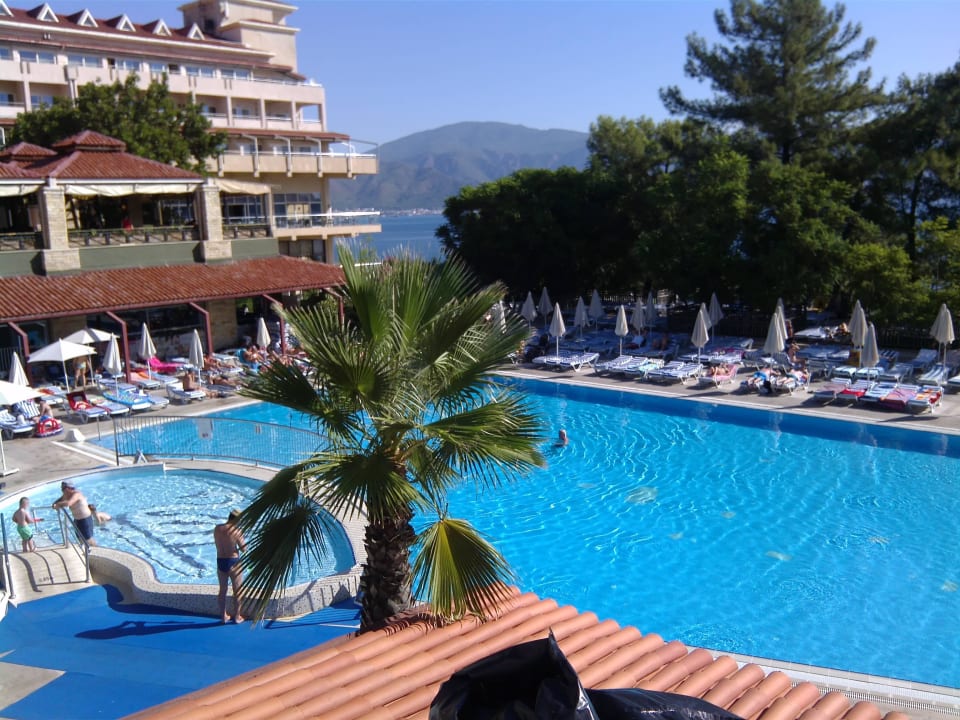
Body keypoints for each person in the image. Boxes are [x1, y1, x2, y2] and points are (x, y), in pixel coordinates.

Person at [214, 509, 247, 623]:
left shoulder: (217, 528)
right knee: (237, 590)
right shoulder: (237, 531)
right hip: (233, 561)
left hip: (220, 561)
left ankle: (223, 616)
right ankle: (237, 617)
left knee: (222, 590)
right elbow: (244, 549)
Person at [51, 481, 96, 546]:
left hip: (85, 520)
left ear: (69, 488)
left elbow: (69, 503)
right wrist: (56, 504)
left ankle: (96, 551)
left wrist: (58, 504)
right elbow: (54, 504)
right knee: (80, 539)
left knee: (89, 540)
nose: (62, 491)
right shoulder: (66, 496)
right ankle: (86, 553)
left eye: (64, 489)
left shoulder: (77, 494)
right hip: (77, 520)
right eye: (62, 489)